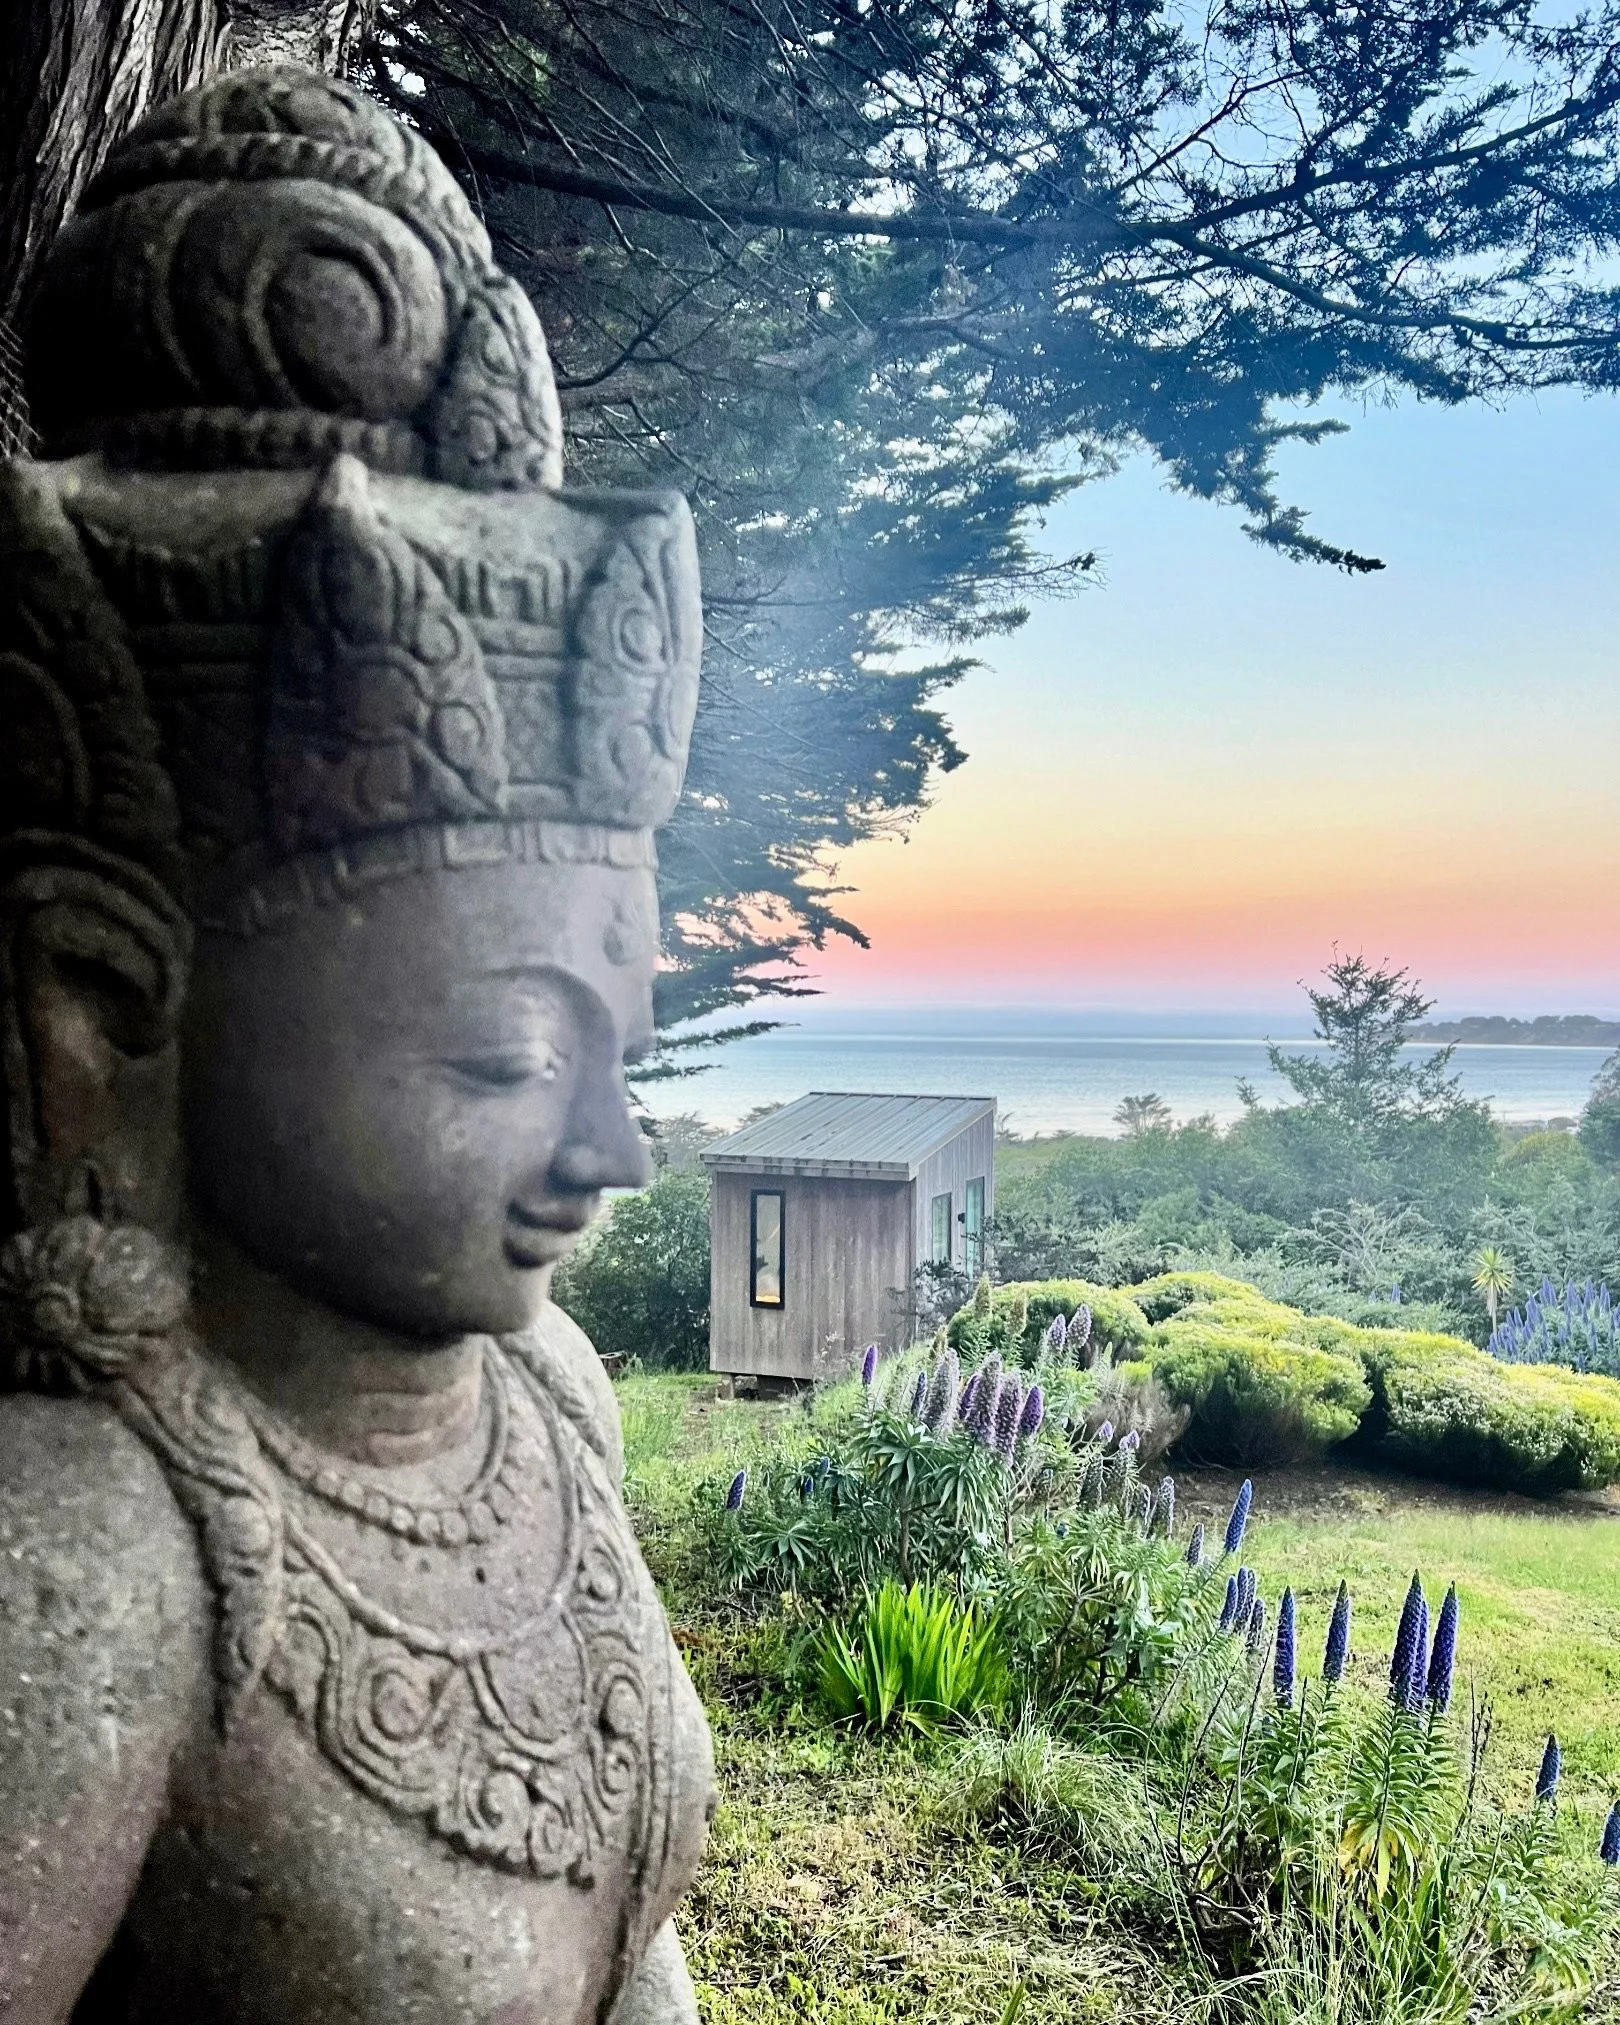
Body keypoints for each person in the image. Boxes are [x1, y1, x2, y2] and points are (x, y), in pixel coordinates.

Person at [0, 64, 713, 2024]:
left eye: (619, 1048)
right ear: (110, 1005)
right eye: (498, 1057)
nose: (605, 1150)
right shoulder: (93, 1559)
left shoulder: (555, 1396)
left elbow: (633, 1937)